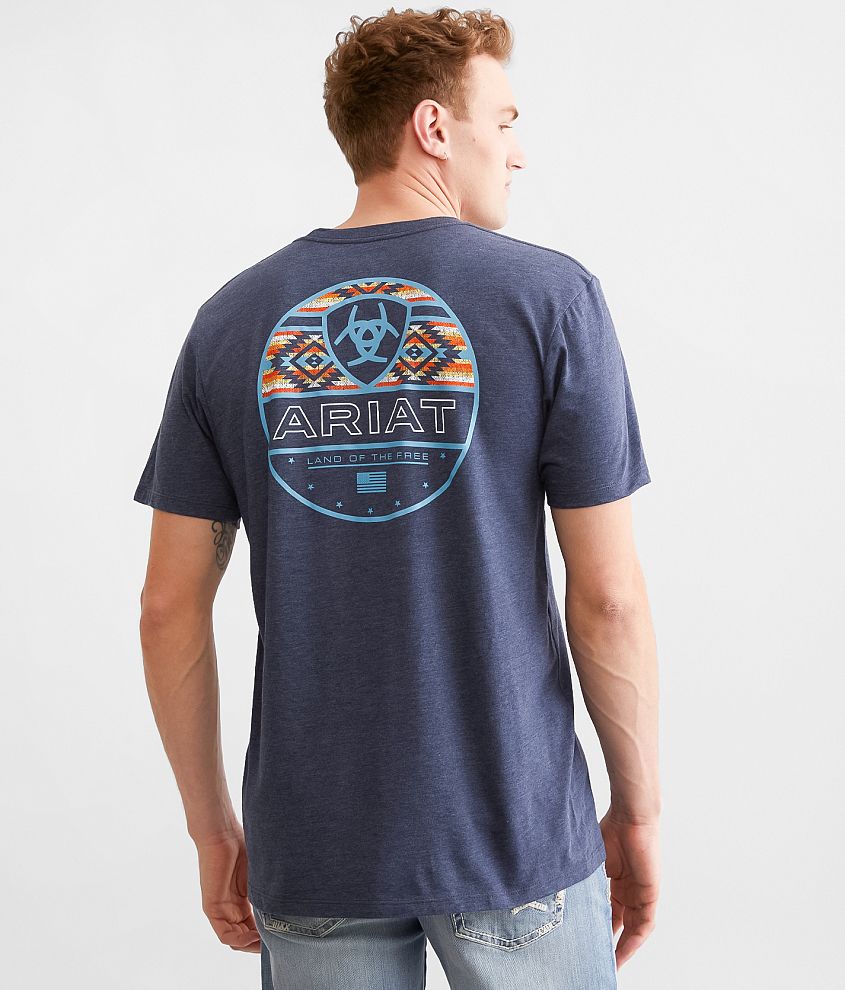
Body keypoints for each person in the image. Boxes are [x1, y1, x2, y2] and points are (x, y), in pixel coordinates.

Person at [134, 7, 660, 989]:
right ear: (432, 127)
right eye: (502, 121)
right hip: (513, 837)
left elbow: (167, 609)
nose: (517, 151)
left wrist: (213, 828)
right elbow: (609, 599)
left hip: (313, 842)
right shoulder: (549, 301)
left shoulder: (229, 321)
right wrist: (637, 811)